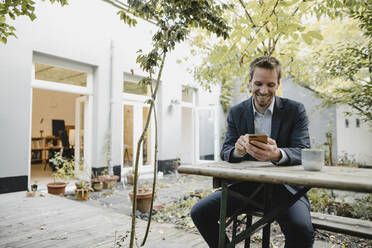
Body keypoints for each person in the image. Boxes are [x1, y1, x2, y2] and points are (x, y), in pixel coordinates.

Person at [190, 56, 314, 248]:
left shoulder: (295, 110)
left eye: (270, 84)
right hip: (247, 189)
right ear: (250, 82)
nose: (264, 90)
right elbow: (226, 151)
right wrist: (238, 150)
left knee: (302, 232)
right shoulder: (236, 112)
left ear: (278, 84)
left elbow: (304, 151)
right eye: (258, 83)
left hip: (286, 190)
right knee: (199, 212)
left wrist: (277, 154)